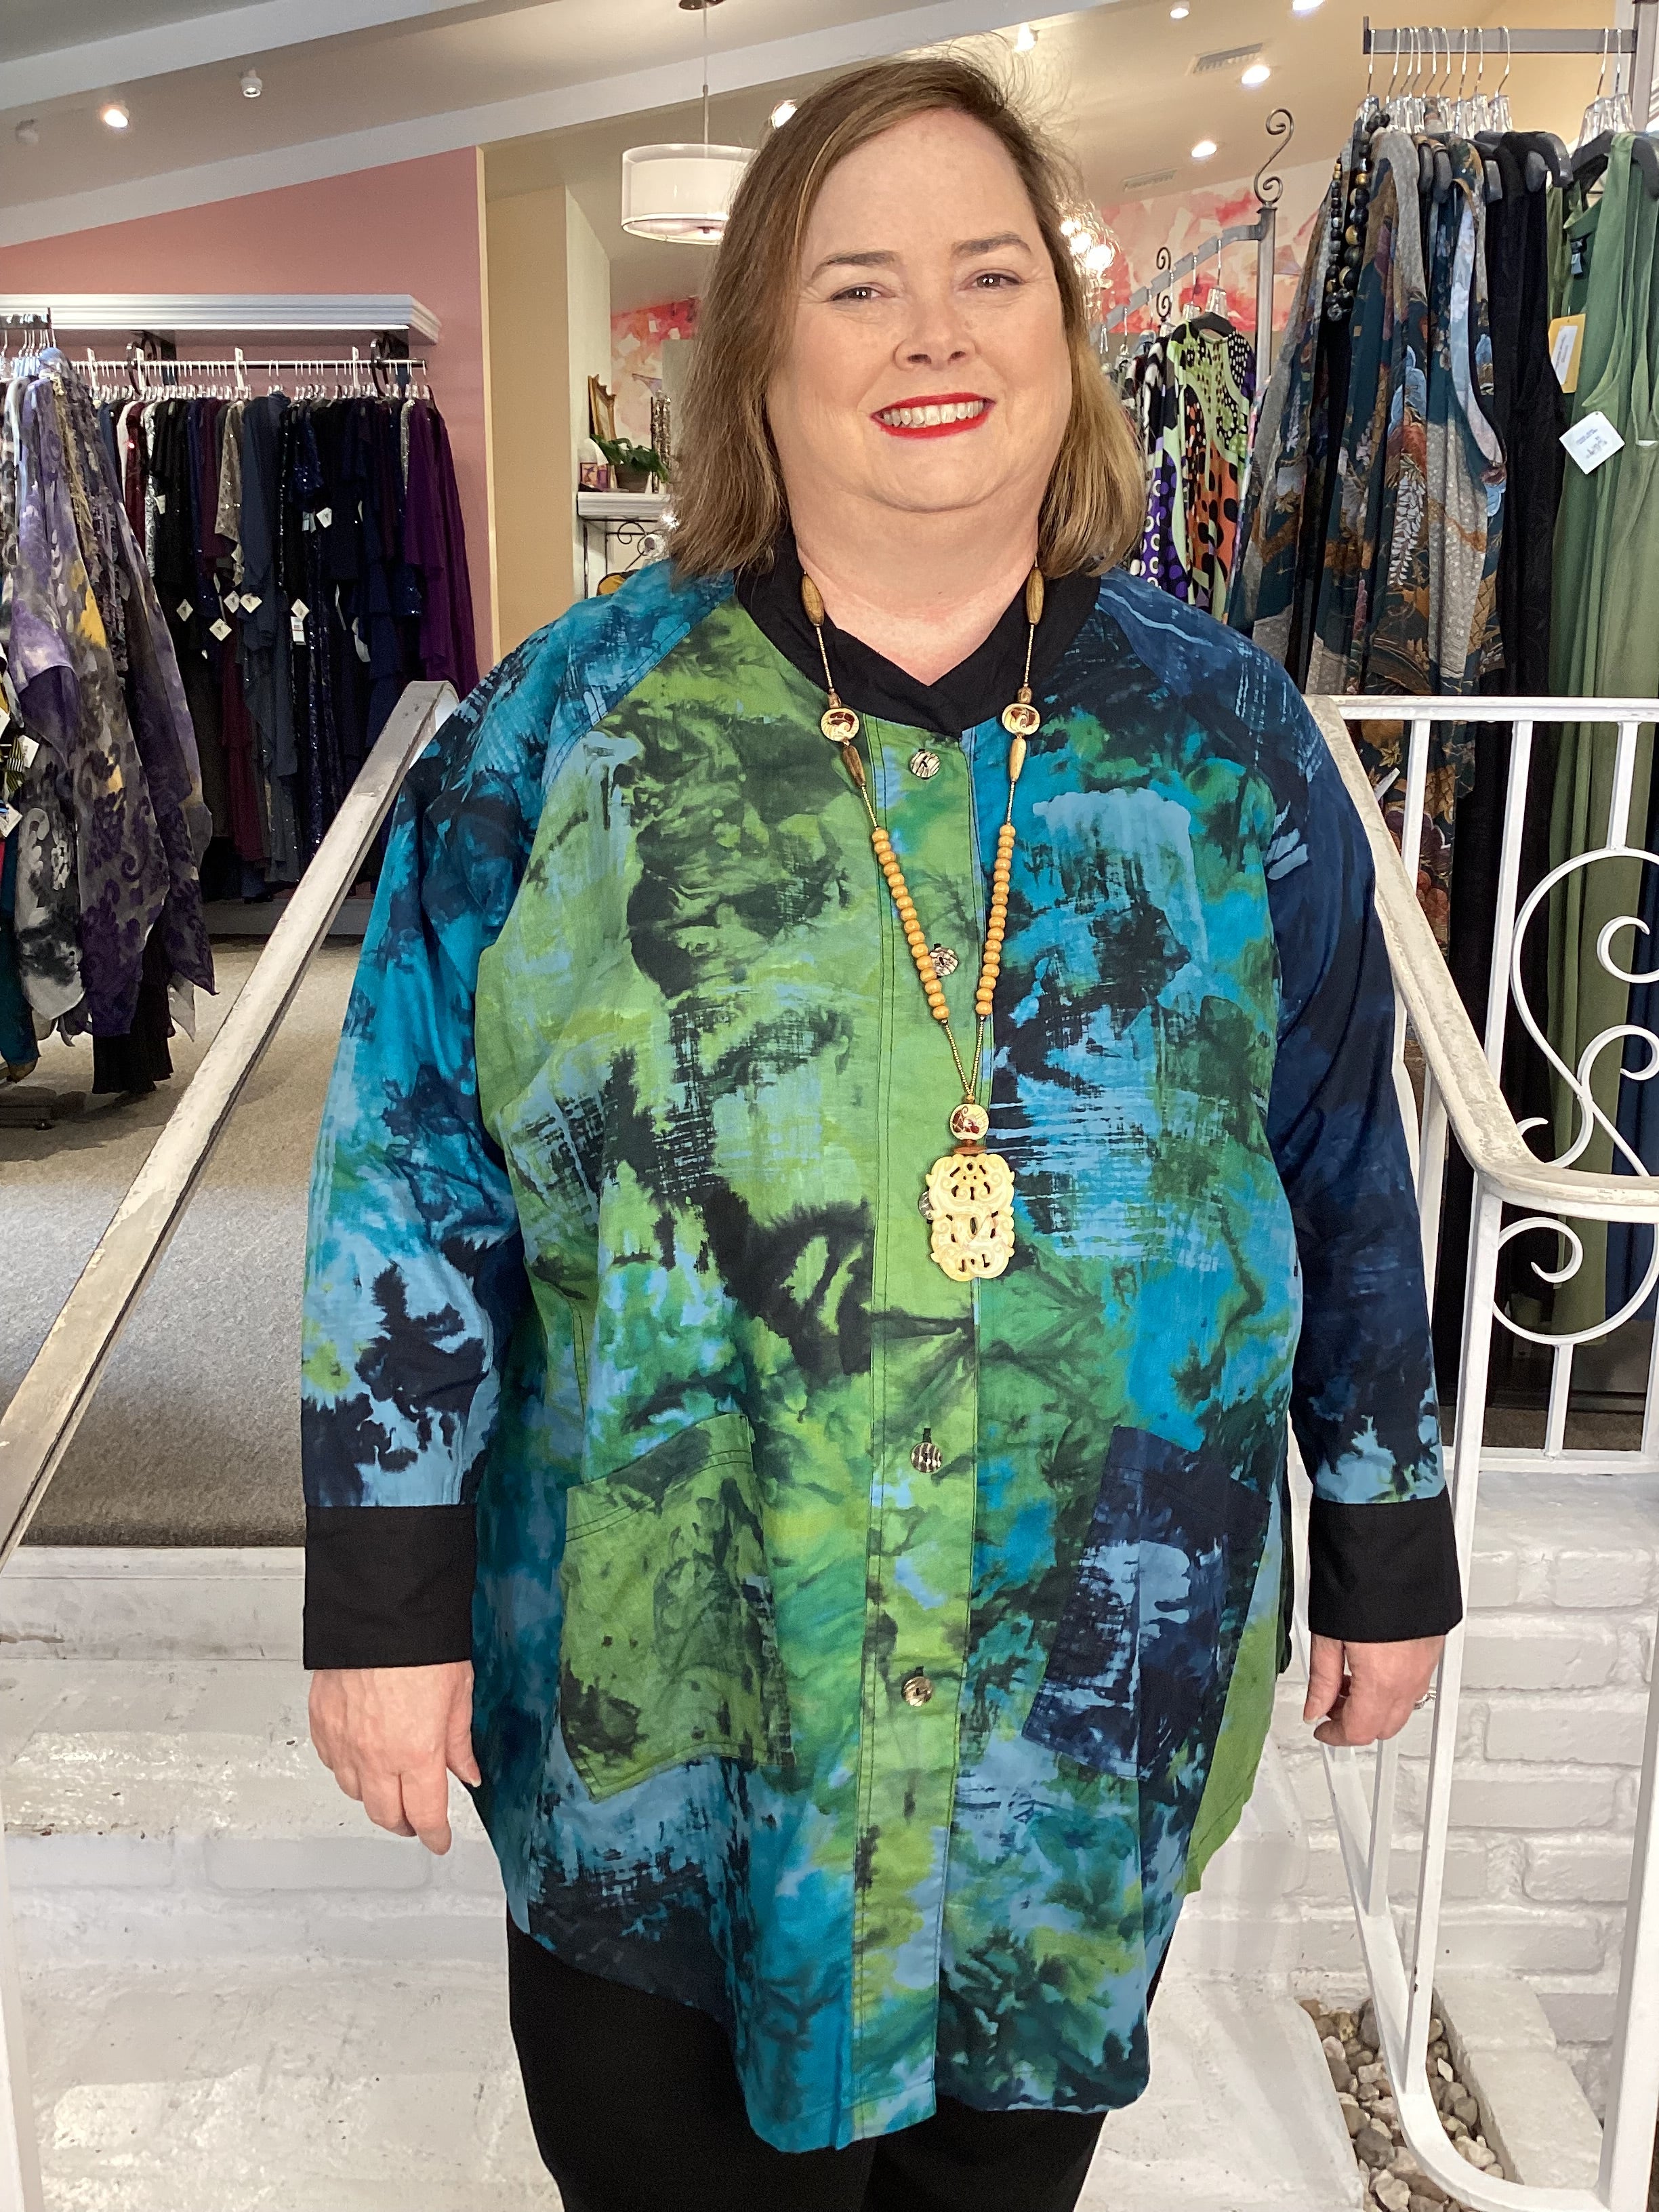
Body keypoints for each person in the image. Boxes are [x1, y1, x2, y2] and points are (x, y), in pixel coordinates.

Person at [302, 53, 1461, 2212]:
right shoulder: (567, 731)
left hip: (1067, 1737)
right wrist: (386, 1603)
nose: (935, 333)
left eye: (989, 275)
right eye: (858, 285)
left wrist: (1389, 1537)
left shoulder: (1227, 746)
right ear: (761, 346)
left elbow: (1339, 1162)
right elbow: (407, 1179)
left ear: (1065, 336)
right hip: (673, 1724)